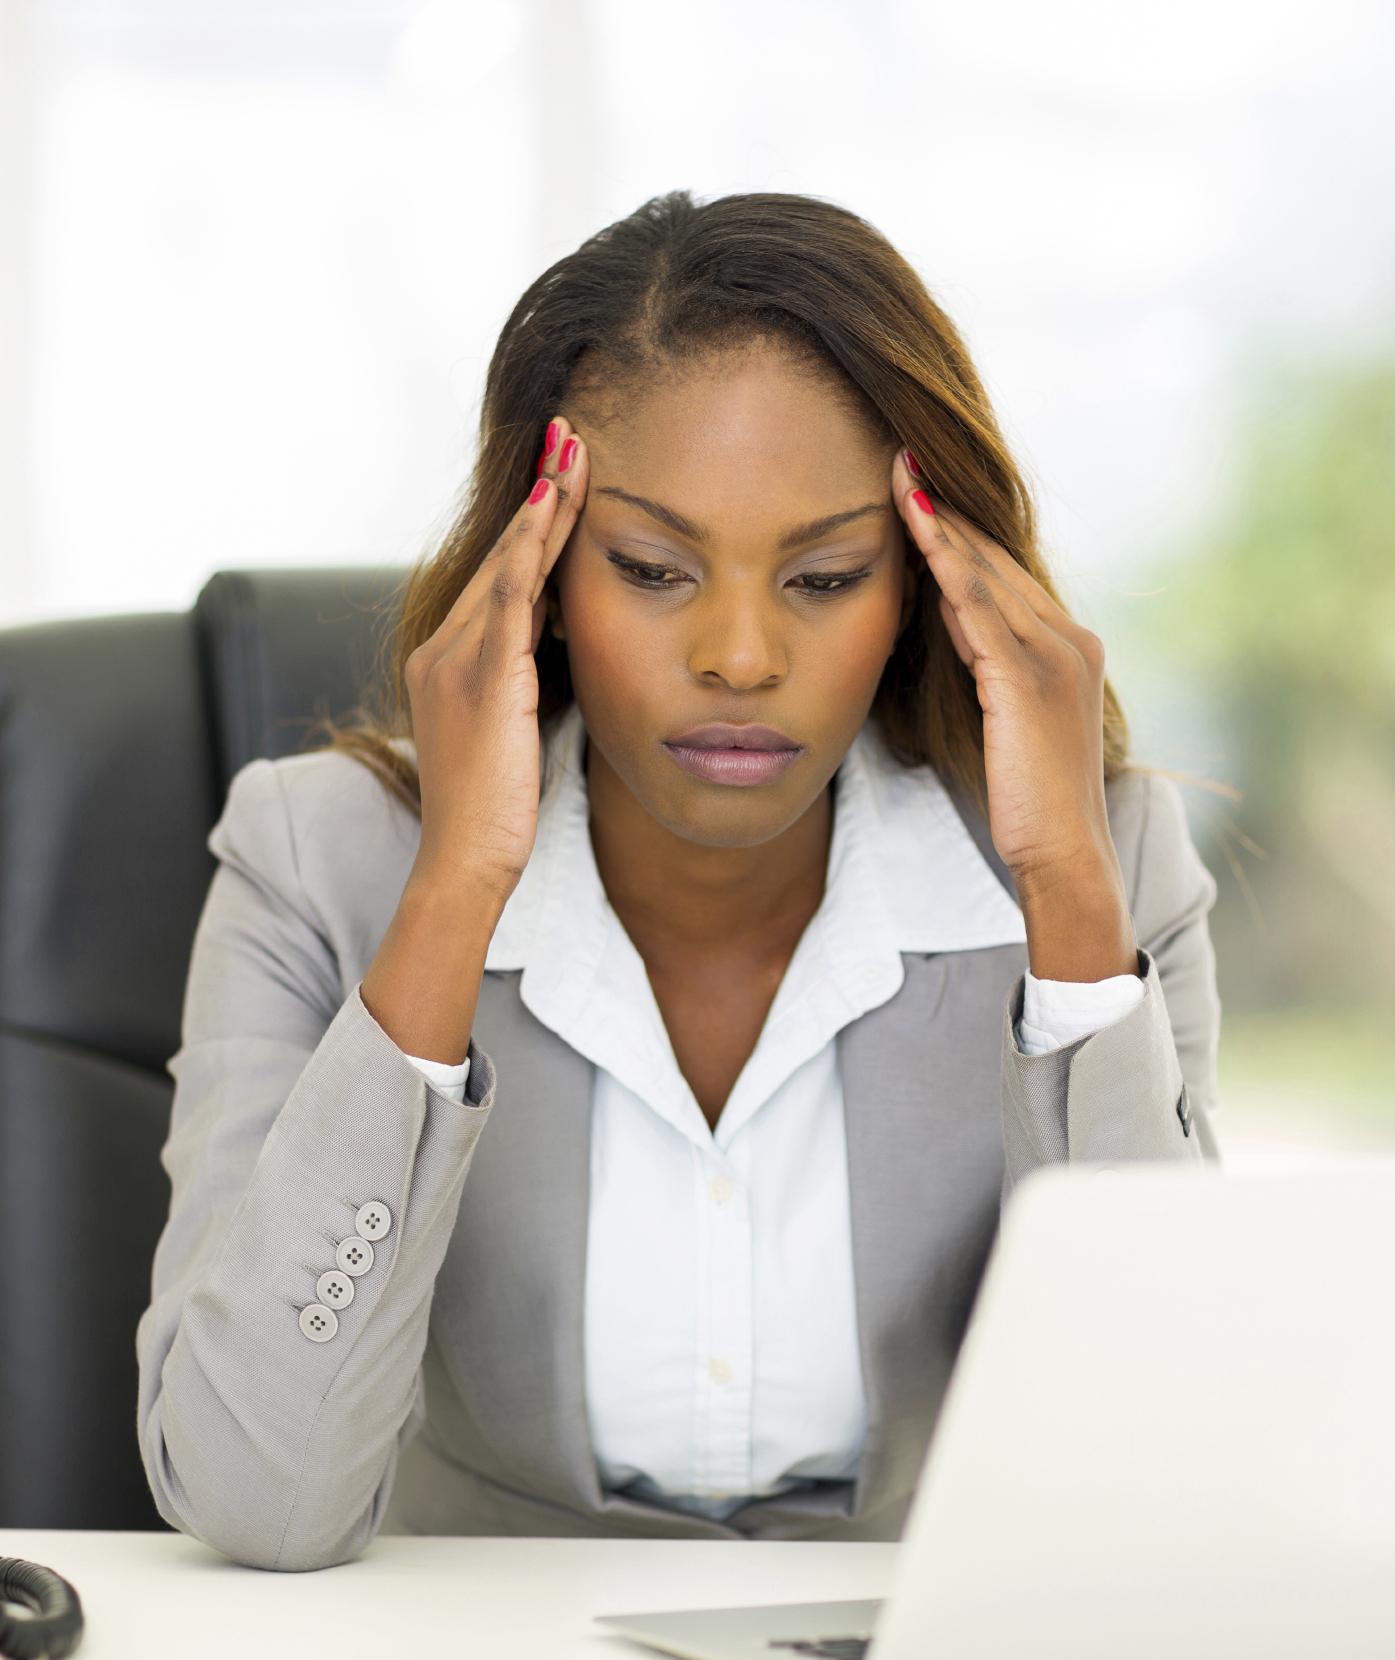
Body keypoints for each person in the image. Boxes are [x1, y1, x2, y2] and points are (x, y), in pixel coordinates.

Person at [136, 191, 1219, 1570]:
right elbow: (252, 1495)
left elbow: (1170, 1473)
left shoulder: (1102, 864)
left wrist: (1065, 903)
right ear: (540, 572)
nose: (740, 654)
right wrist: (453, 897)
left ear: (923, 590)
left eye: (825, 577)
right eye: (652, 567)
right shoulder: (319, 860)